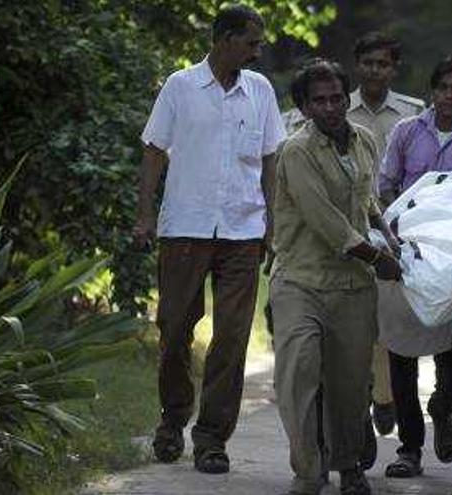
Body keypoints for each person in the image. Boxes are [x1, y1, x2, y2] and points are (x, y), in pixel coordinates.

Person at [134, 4, 284, 474]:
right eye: (251, 42)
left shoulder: (260, 91)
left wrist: (273, 226)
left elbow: (271, 161)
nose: (258, 51)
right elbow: (154, 152)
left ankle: (212, 438)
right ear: (224, 39)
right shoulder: (180, 86)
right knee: (174, 329)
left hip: (243, 231)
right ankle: (172, 420)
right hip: (184, 227)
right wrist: (144, 217)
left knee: (233, 338)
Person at [270, 58, 402, 495]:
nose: (329, 108)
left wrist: (388, 235)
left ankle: (349, 466)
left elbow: (366, 202)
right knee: (298, 378)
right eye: (318, 101)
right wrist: (376, 257)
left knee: (350, 386)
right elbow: (326, 221)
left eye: (335, 98)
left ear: (347, 98)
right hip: (301, 282)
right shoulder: (296, 151)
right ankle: (308, 473)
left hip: (352, 288)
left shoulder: (363, 140)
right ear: (304, 108)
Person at [376, 56, 452, 478]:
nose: (449, 95)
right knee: (401, 351)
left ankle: (443, 408)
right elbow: (387, 186)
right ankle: (409, 448)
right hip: (406, 252)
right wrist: (394, 238)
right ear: (432, 91)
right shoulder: (406, 132)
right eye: (442, 87)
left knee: (451, 346)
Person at [348, 31, 426, 440]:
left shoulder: (412, 114)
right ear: (356, 64)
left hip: (396, 233)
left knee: (389, 323)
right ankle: (365, 403)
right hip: (348, 229)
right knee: (355, 324)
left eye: (383, 63)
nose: (375, 70)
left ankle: (383, 395)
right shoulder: (334, 108)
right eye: (368, 62)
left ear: (394, 69)